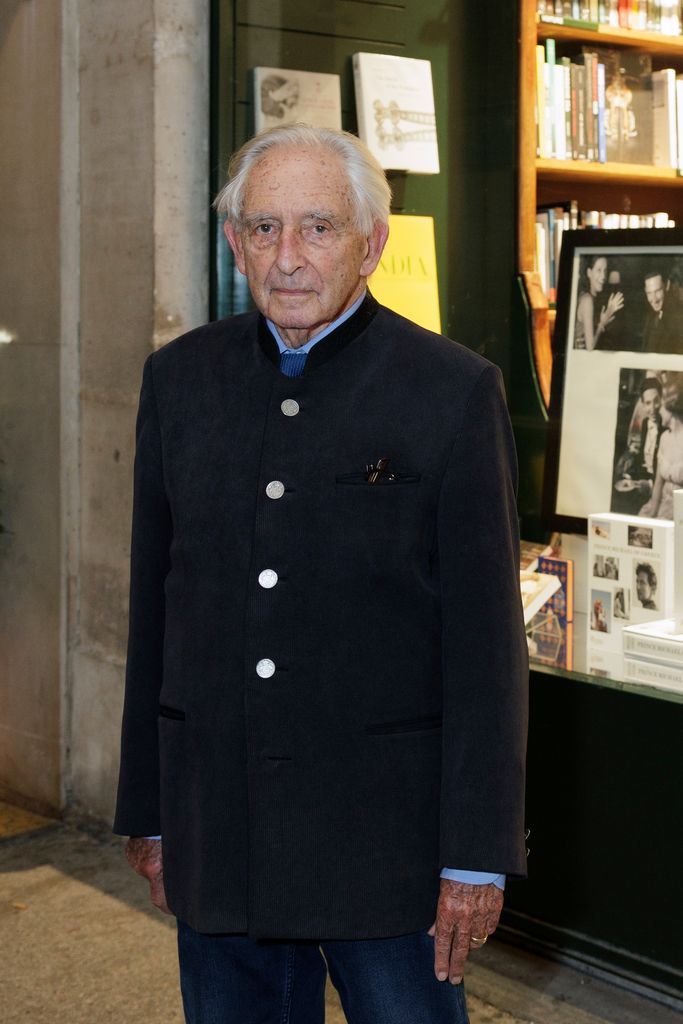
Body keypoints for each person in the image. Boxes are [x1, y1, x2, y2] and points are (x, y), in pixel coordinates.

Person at [114, 124, 528, 1024]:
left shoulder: (450, 392)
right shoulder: (179, 382)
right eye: (263, 229)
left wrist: (475, 855)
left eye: (318, 228)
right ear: (234, 244)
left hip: (388, 851)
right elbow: (157, 610)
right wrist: (150, 811)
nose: (288, 258)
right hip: (222, 831)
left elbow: (488, 649)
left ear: (371, 244)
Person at [639, 392, 683, 519]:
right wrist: (652, 513)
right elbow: (658, 482)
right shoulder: (664, 438)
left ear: (672, 410)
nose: (658, 411)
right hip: (660, 502)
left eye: (661, 407)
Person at [574, 254, 624, 351]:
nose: (603, 276)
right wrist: (602, 323)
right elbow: (590, 347)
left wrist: (609, 311)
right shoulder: (587, 300)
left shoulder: (588, 296)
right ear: (589, 273)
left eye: (605, 271)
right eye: (599, 270)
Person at [641, 270, 683, 354]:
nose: (654, 299)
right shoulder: (651, 315)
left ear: (667, 285)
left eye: (657, 291)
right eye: (649, 293)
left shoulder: (679, 314)